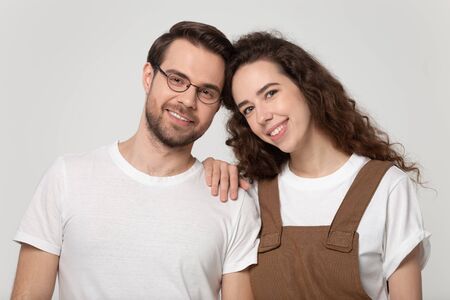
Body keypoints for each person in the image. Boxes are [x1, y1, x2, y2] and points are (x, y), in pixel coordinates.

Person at [11, 21, 260, 299]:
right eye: (176, 79)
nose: (188, 100)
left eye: (206, 92)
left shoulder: (232, 203)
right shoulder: (67, 178)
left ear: (218, 106)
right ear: (148, 76)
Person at [204, 31, 430, 299]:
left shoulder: (387, 188)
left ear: (305, 85)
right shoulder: (251, 194)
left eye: (271, 93)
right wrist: (207, 170)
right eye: (248, 109)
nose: (263, 116)